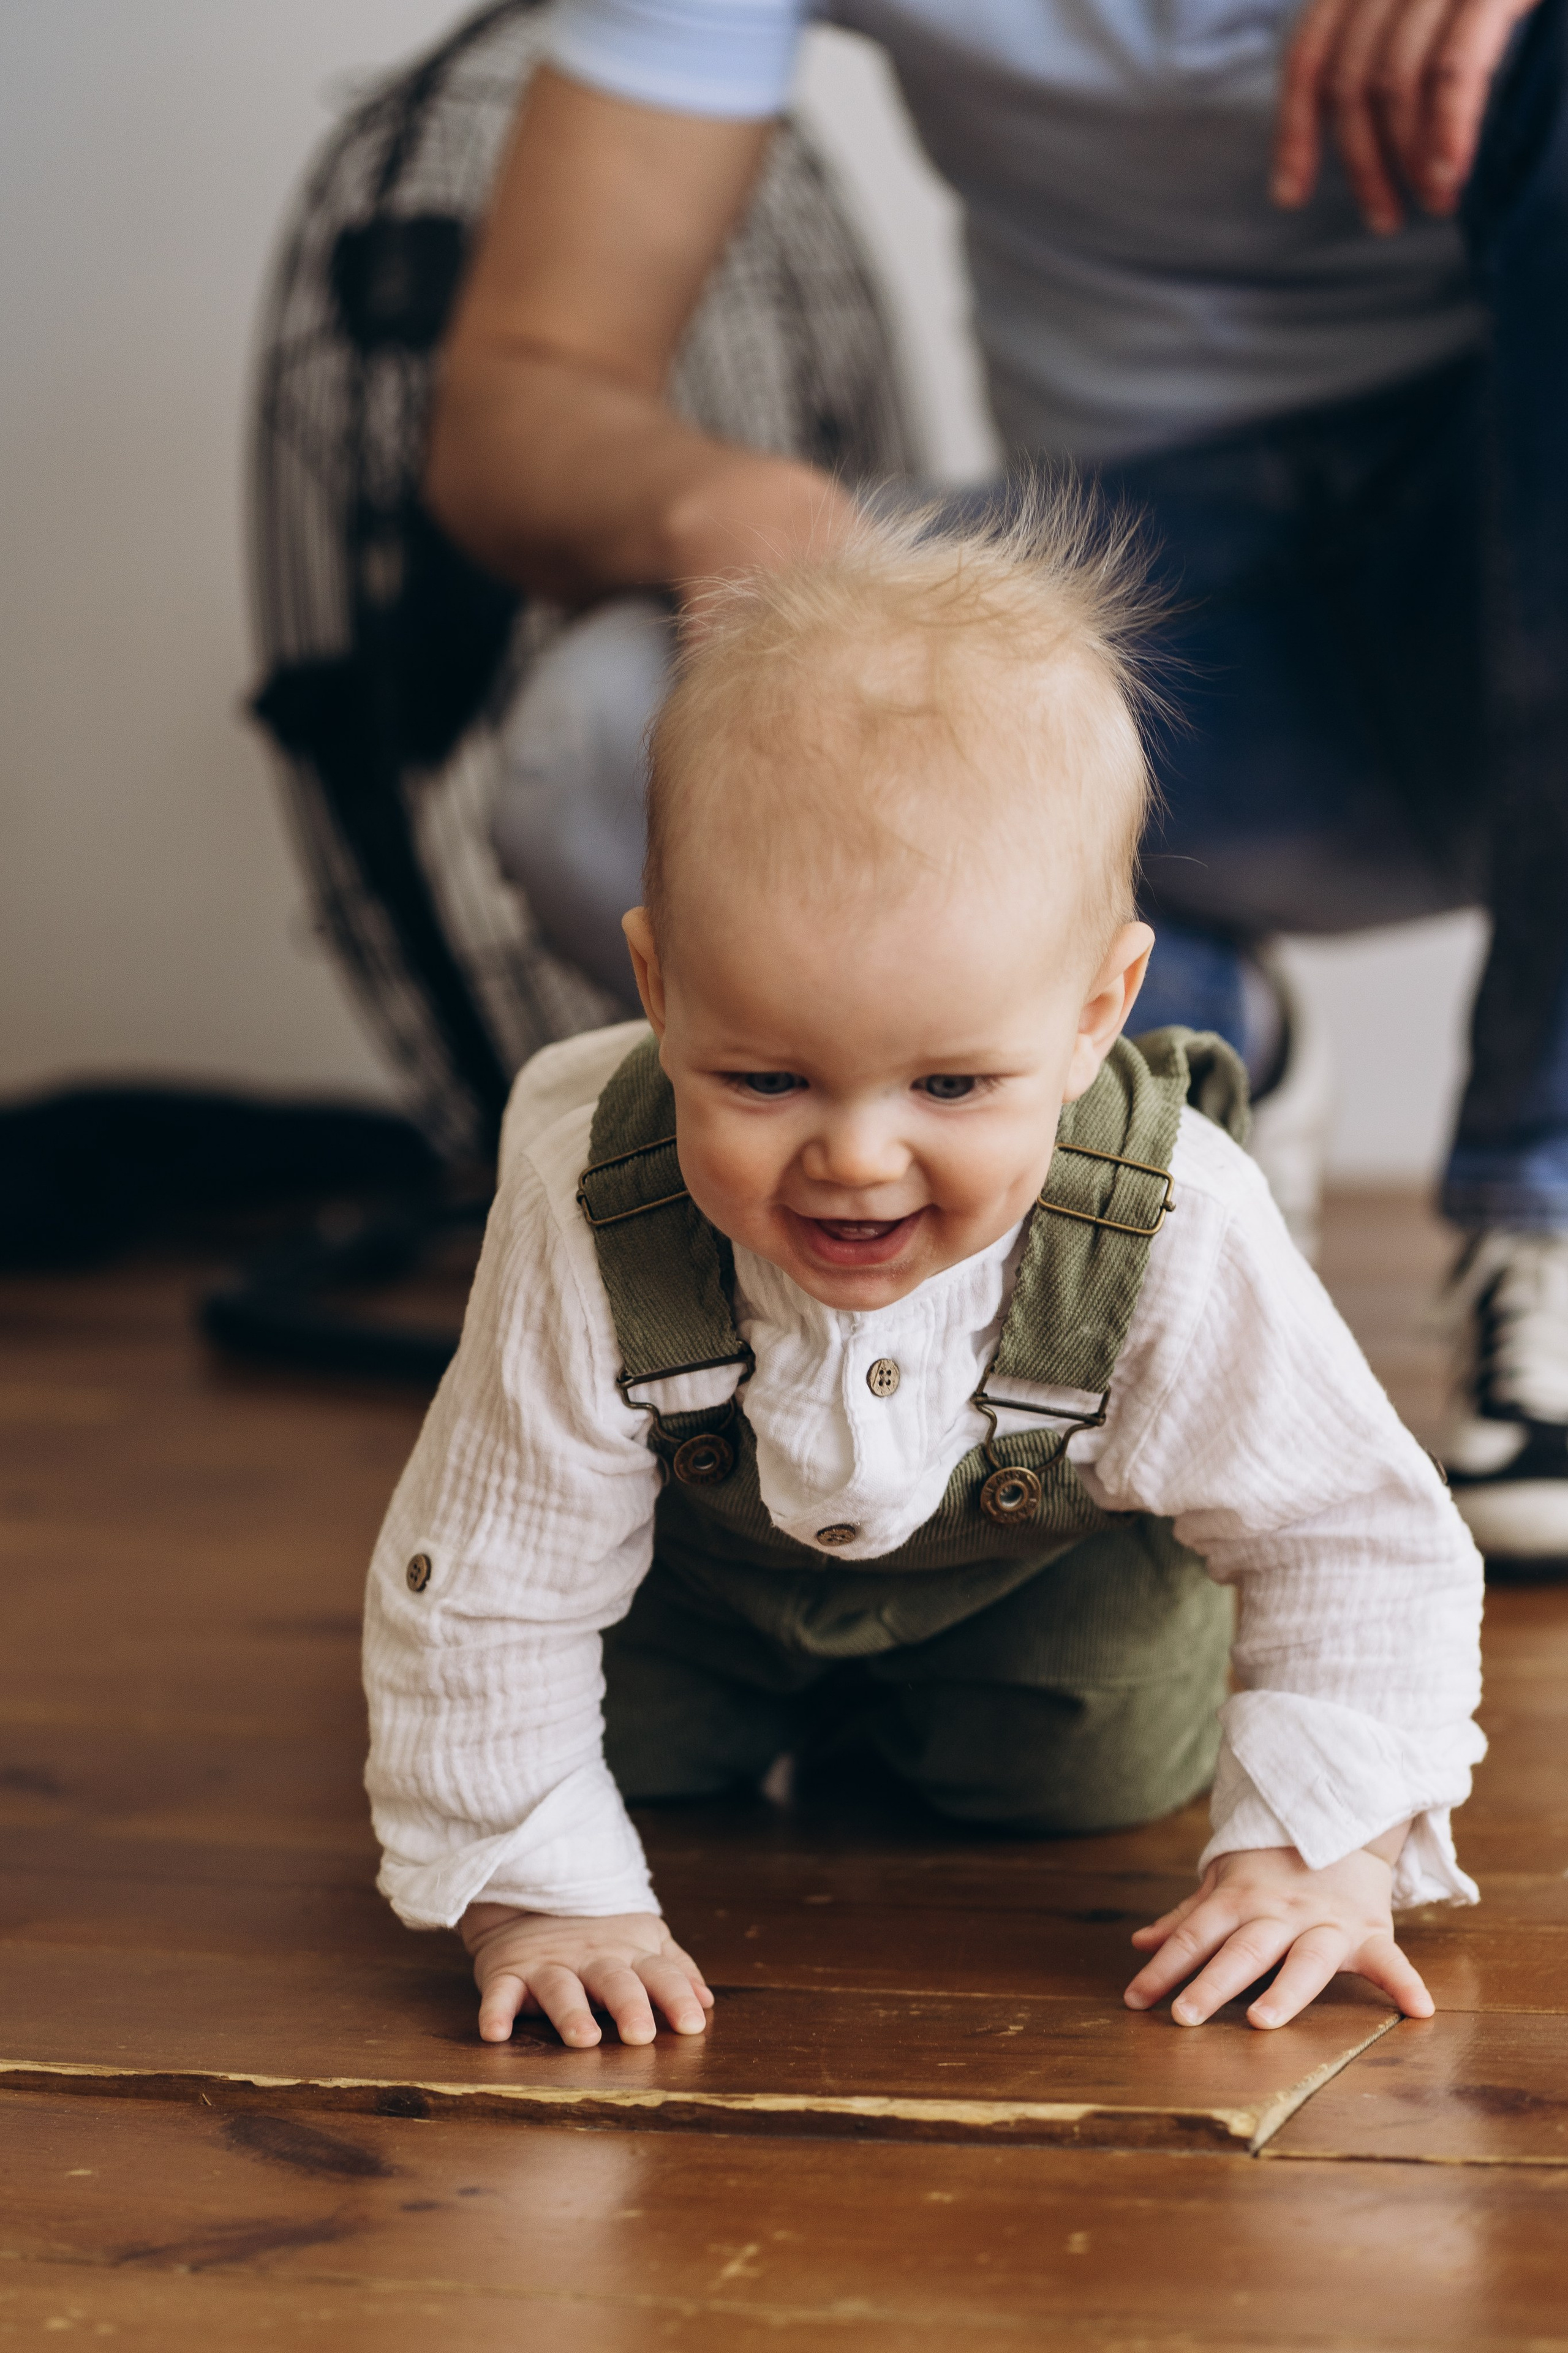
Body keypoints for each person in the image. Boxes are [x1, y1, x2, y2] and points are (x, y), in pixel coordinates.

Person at [423, 0, 1568, 1576]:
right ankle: (1174, 1067)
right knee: (607, 737)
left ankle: (1550, 1199)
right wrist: (733, 513)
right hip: (1168, 614)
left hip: (1509, 509)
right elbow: (514, 395)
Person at [363, 507, 1483, 2049]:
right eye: (763, 1078)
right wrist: (546, 1889)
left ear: (1097, 1013)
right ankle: (689, 1748)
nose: (857, 1160)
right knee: (623, 1755)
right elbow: (488, 1576)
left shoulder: (1173, 1223)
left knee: (1084, 1772)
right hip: (687, 1585)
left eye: (950, 1087)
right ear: (655, 987)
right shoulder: (588, 1197)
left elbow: (1350, 1537)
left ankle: (981, 1716)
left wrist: (1314, 1855)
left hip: (1038, 1592)